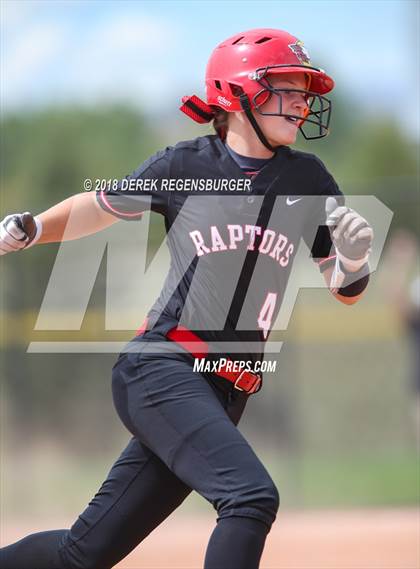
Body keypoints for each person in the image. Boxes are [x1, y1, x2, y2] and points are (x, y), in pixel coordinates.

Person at [0, 28, 373, 569]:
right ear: (237, 93)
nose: (301, 102)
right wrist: (33, 229)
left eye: (304, 91)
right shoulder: (187, 164)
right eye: (285, 87)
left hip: (227, 388)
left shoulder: (307, 178)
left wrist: (355, 262)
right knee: (249, 497)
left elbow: (343, 288)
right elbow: (99, 207)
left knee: (81, 555)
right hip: (163, 368)